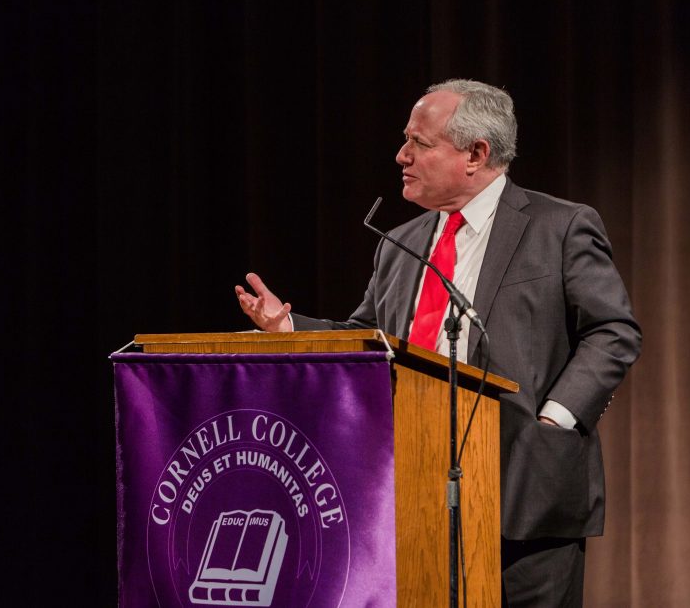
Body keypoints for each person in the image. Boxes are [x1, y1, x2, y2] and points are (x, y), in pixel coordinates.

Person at [234, 79, 641, 607]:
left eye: (419, 143)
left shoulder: (558, 227)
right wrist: (287, 329)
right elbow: (368, 340)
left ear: (475, 153)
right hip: (410, 489)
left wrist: (555, 417)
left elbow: (613, 331)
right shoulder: (401, 243)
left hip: (523, 485)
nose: (401, 155)